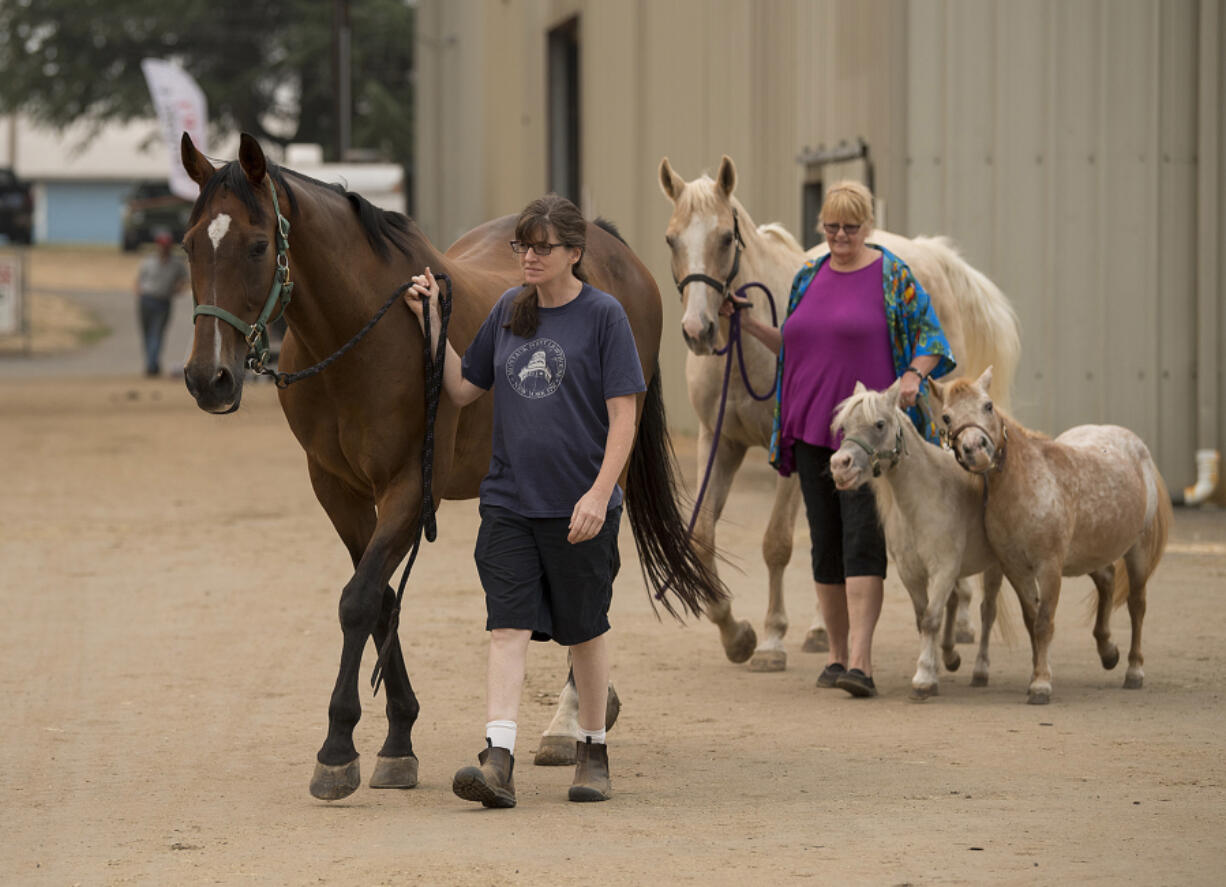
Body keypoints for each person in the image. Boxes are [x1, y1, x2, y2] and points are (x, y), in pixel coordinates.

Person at [402, 194, 645, 806]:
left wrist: (599, 493)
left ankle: (593, 750)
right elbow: (461, 388)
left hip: (580, 506)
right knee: (505, 627)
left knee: (584, 631)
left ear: (574, 253)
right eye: (523, 246)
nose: (529, 257)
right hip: (509, 501)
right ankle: (498, 756)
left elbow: (625, 418)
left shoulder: (604, 316)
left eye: (542, 247)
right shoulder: (511, 310)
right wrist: (433, 320)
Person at [722, 180, 954, 698]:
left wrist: (915, 375)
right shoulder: (809, 275)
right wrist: (750, 325)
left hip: (866, 438)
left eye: (851, 228)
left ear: (867, 226)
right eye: (832, 227)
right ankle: (834, 657)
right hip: (810, 428)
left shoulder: (893, 275)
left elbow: (931, 337)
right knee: (825, 543)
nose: (841, 236)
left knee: (861, 541)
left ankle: (862, 662)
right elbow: (794, 347)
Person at [134, 229, 188, 376]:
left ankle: (151, 366)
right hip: (146, 300)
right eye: (161, 245)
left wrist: (178, 289)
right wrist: (139, 291)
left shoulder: (176, 263)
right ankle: (152, 362)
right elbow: (139, 279)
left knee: (157, 334)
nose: (163, 248)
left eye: (166, 245)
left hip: (163, 302)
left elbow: (185, 279)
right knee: (146, 334)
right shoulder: (149, 260)